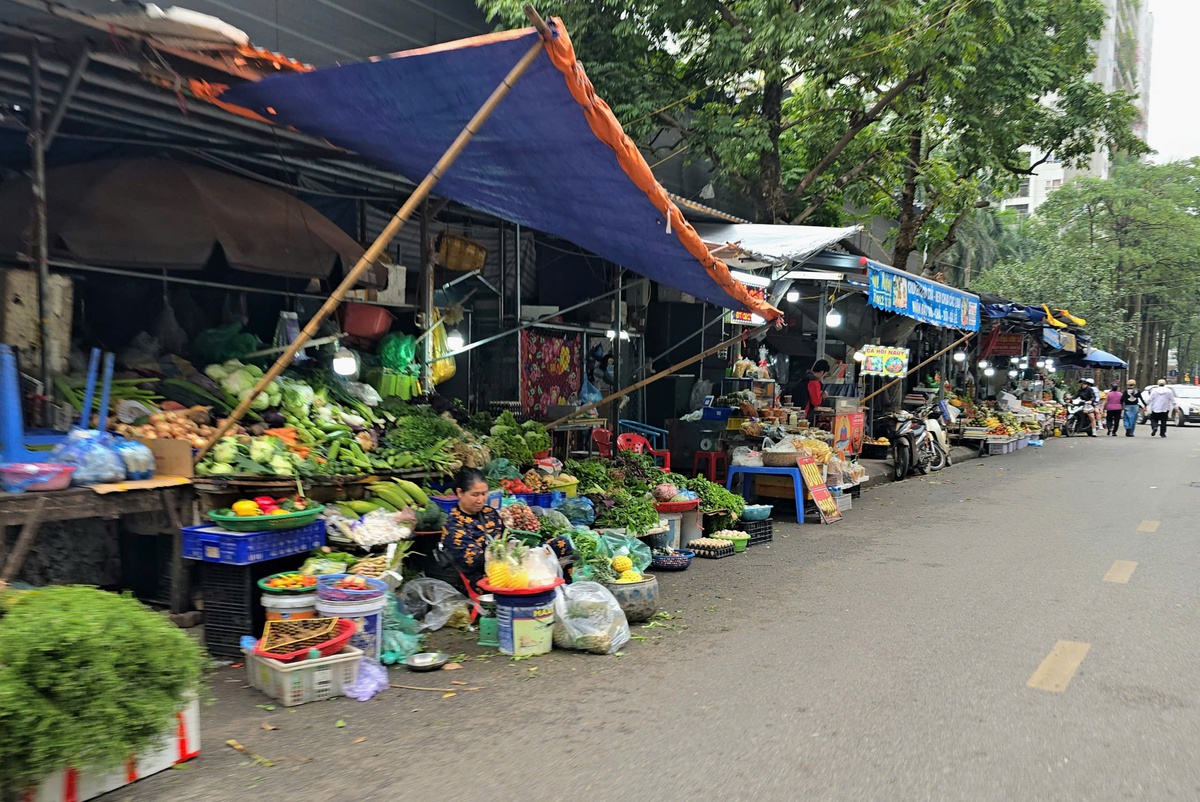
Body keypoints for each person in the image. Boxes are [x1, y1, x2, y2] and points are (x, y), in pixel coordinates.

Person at [438, 467, 572, 588]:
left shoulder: (489, 513)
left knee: (561, 543)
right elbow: (476, 562)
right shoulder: (454, 526)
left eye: (484, 494)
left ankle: (566, 591)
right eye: (475, 494)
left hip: (514, 561)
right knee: (533, 576)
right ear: (460, 493)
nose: (480, 500)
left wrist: (520, 548)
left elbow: (507, 537)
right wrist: (514, 559)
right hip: (489, 577)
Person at [802, 359, 830, 426]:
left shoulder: (804, 377)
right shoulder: (814, 382)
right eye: (824, 375)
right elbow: (816, 402)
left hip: (798, 412)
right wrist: (823, 396)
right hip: (805, 413)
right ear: (821, 372)